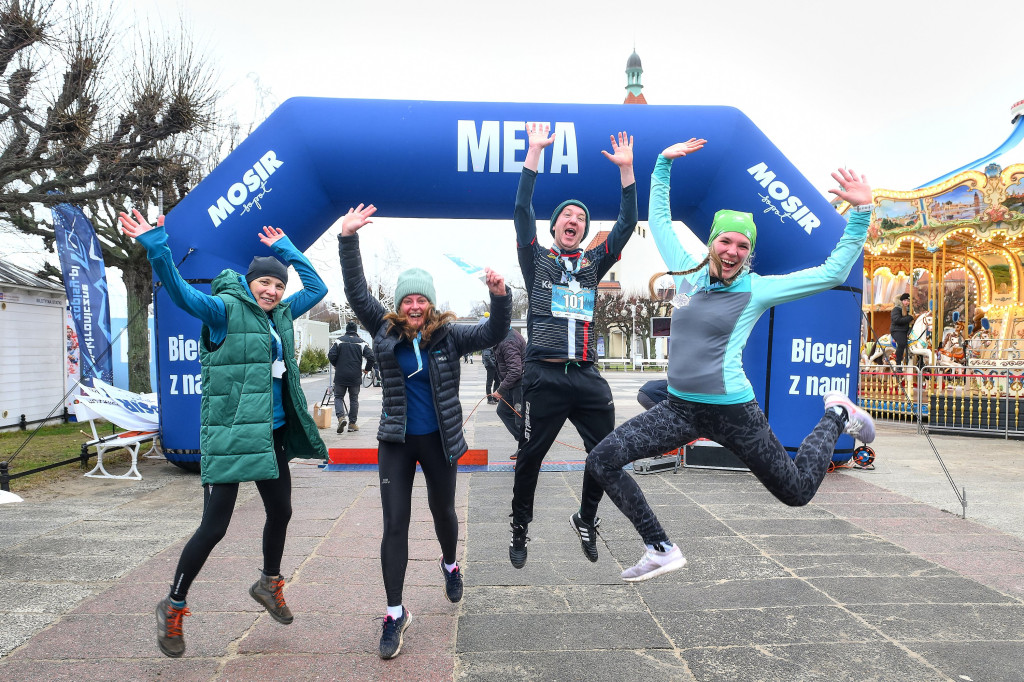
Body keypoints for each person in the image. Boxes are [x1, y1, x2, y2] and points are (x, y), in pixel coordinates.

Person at [585, 138, 877, 582]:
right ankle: (660, 547)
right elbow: (659, 216)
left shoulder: (757, 289)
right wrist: (662, 164)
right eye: (726, 241)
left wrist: (860, 214)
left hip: (734, 413)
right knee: (602, 459)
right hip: (680, 407)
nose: (733, 251)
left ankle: (837, 412)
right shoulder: (684, 270)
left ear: (749, 253)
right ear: (711, 242)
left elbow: (832, 273)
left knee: (796, 493)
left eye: (743, 246)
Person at [118, 210, 328, 658]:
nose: (272, 290)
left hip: (270, 435)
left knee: (283, 510)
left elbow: (319, 289)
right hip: (230, 437)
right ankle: (173, 604)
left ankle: (269, 583)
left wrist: (287, 251)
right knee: (214, 528)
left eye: (278, 285)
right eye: (265, 283)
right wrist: (156, 245)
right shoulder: (222, 310)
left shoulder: (283, 314)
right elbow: (176, 290)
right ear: (249, 282)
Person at [337, 203, 510, 660]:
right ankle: (395, 613)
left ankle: (450, 563)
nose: (414, 306)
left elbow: (495, 331)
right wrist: (348, 238)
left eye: (421, 299)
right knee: (394, 524)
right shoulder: (382, 329)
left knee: (443, 514)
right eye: (406, 300)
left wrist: (498, 296)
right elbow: (355, 290)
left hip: (439, 441)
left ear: (431, 302)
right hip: (396, 440)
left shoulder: (449, 336)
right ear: (398, 307)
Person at [509, 124, 638, 568]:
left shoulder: (592, 263)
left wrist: (627, 174)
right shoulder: (537, 259)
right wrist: (533, 154)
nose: (574, 222)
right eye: (567, 216)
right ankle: (520, 524)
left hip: (585, 374)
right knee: (530, 457)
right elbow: (522, 207)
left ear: (584, 230)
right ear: (555, 226)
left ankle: (585, 516)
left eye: (581, 219)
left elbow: (627, 225)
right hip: (543, 373)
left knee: (607, 455)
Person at [328, 321, 375, 433]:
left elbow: (331, 355)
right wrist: (367, 369)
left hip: (340, 375)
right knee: (354, 399)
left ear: (346, 330)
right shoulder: (361, 342)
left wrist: (336, 364)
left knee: (338, 397)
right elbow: (371, 357)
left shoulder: (339, 340)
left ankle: (341, 418)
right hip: (355, 376)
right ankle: (352, 424)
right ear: (356, 331)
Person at [491, 327, 526, 456]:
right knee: (502, 411)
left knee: (520, 421)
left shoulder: (508, 342)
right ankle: (524, 443)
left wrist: (500, 390)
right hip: (512, 384)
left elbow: (515, 371)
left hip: (520, 385)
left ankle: (527, 451)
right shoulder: (503, 337)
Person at [890, 293, 913, 366]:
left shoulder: (909, 310)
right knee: (902, 343)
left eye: (908, 301)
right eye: (905, 300)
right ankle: (898, 364)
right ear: (901, 301)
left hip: (906, 330)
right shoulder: (896, 309)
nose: (907, 302)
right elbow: (897, 320)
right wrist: (910, 318)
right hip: (897, 330)